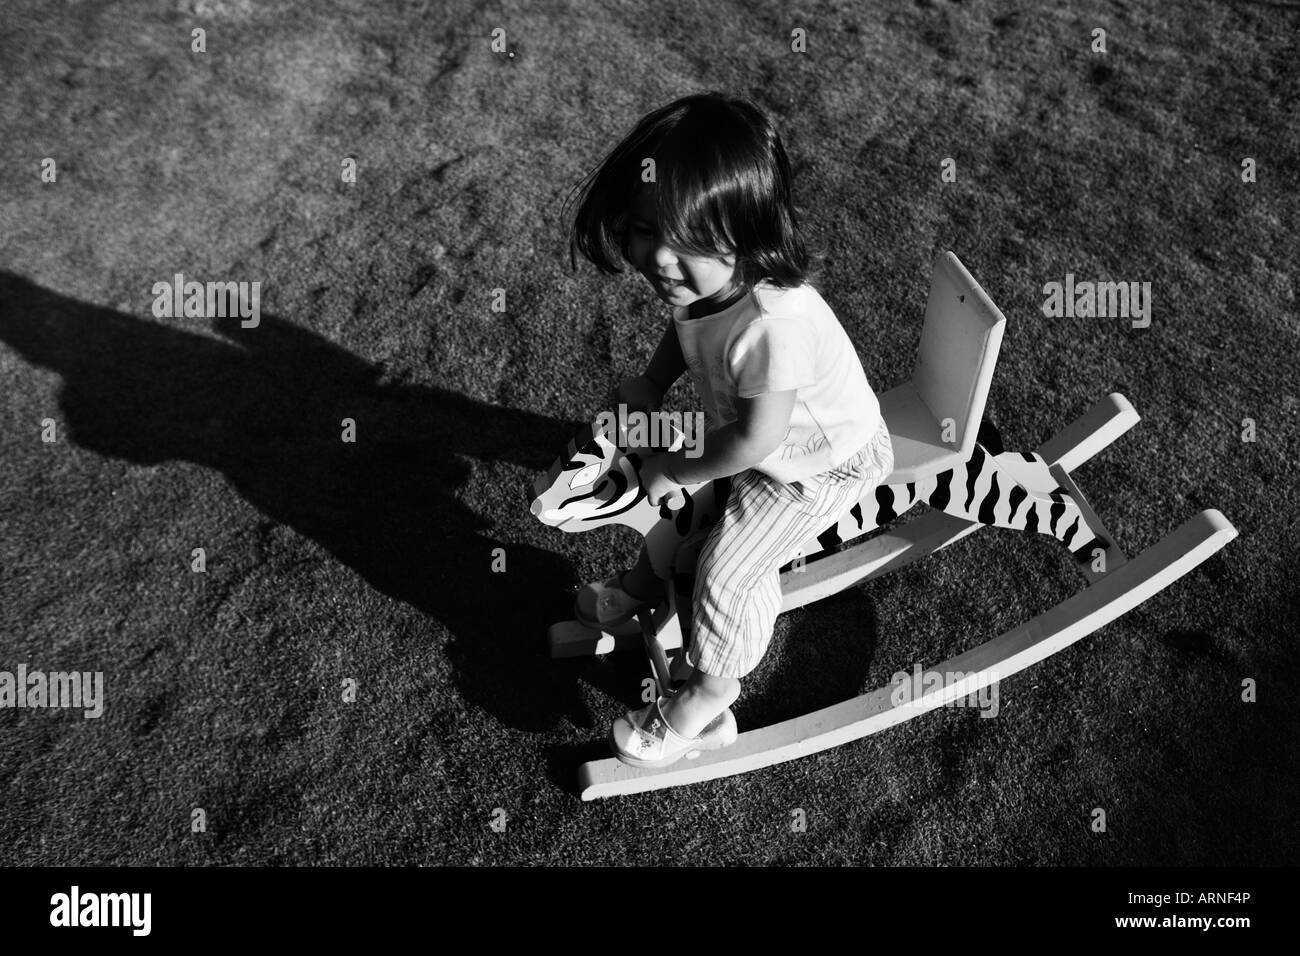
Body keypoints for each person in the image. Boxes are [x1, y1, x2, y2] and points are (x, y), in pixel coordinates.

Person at [564, 91, 895, 767]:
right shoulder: (705, 287)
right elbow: (686, 328)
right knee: (685, 517)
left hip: (819, 464)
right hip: (763, 439)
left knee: (727, 569)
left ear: (744, 236)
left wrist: (675, 467)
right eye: (646, 228)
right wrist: (654, 384)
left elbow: (756, 444)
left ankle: (709, 698)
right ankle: (639, 590)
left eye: (685, 240)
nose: (659, 259)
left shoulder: (774, 322)